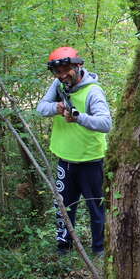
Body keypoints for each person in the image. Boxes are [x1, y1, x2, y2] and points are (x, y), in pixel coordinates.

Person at [36, 47, 112, 256]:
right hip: (65, 160)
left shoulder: (93, 91)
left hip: (91, 160)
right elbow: (41, 108)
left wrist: (79, 118)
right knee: (64, 207)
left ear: (78, 66)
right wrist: (57, 107)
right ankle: (64, 247)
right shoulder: (58, 84)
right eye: (57, 71)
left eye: (66, 69)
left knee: (96, 208)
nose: (62, 75)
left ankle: (99, 249)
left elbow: (106, 123)